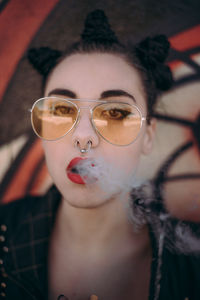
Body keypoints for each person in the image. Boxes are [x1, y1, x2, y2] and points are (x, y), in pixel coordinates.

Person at [0, 9, 199, 300]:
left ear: (148, 135)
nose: (83, 136)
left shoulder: (191, 265)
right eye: (61, 110)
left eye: (116, 113)